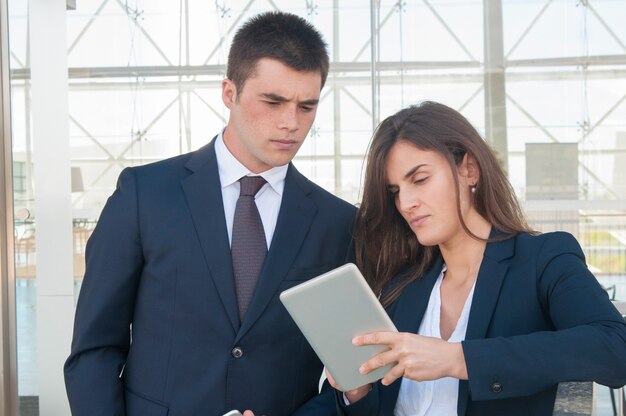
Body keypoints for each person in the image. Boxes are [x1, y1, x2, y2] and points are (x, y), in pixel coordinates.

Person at [64, 11, 355, 416]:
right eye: (273, 102)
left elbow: (350, 378)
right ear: (229, 93)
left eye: (307, 106)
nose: (291, 123)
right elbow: (94, 350)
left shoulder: (338, 223)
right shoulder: (143, 195)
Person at [326, 101, 626, 415]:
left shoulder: (542, 260)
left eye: (420, 179)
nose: (406, 203)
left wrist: (458, 359)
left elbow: (615, 348)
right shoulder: (401, 289)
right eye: (395, 191)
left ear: (469, 170)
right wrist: (356, 394)